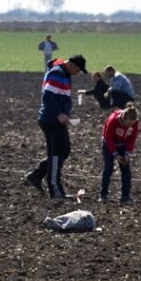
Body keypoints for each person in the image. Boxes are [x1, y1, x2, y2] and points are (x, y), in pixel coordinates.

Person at [23, 55, 88, 199]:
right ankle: (55, 189)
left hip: (57, 120)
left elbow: (61, 96)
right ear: (71, 64)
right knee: (57, 154)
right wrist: (59, 114)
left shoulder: (64, 74)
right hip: (51, 120)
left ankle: (36, 175)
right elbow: (47, 95)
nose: (77, 73)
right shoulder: (57, 73)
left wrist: (66, 114)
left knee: (63, 151)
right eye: (77, 69)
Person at [99, 103, 139, 204]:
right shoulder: (113, 120)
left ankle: (125, 196)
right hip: (109, 144)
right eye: (128, 123)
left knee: (126, 169)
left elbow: (132, 139)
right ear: (123, 119)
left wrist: (127, 153)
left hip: (123, 144)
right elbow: (108, 138)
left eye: (132, 123)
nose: (130, 125)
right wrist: (115, 154)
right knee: (108, 168)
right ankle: (103, 194)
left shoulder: (135, 123)